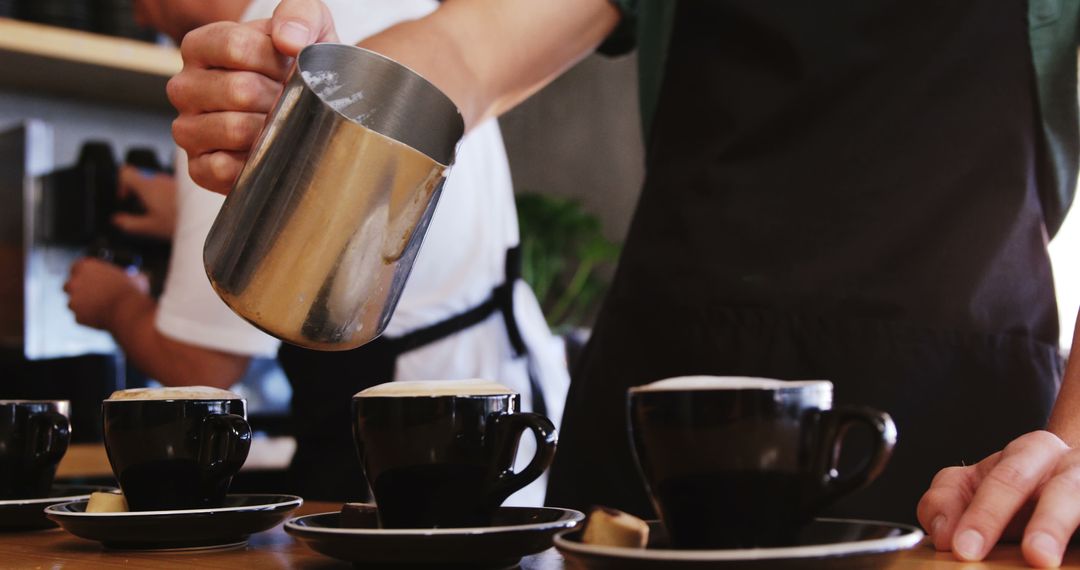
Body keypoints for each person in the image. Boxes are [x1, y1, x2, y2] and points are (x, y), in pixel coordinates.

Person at [167, 0, 1080, 566]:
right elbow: (471, 45)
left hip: (961, 465)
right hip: (660, 444)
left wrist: (1075, 445)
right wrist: (315, 96)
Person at [64, 0, 570, 506]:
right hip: (503, 413)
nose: (142, 18)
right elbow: (369, 202)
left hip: (399, 440)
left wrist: (115, 304)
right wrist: (185, 217)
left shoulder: (247, 75)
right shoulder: (398, 9)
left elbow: (203, 370)